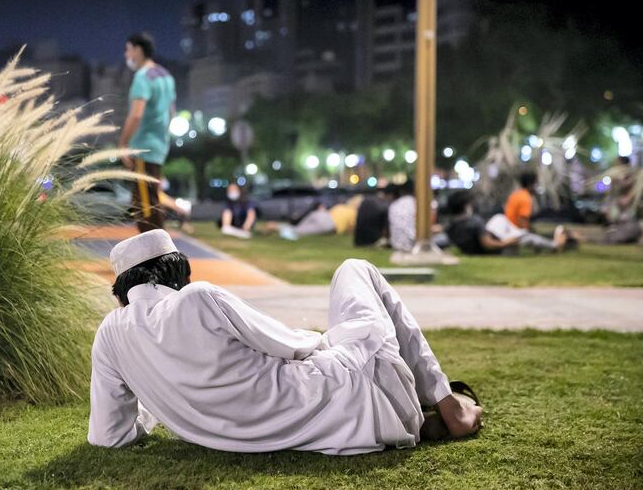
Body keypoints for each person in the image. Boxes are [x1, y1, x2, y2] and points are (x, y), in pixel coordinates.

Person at [88, 229, 483, 453]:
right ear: (176, 270)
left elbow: (110, 435)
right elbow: (296, 345)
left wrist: (160, 401)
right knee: (355, 269)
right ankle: (451, 409)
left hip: (348, 425)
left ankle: (422, 404)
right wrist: (351, 341)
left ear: (124, 286)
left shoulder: (109, 334)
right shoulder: (198, 298)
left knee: (354, 336)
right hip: (362, 396)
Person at [118, 33, 176, 233]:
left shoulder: (142, 77)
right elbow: (172, 112)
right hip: (159, 146)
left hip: (143, 147)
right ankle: (160, 256)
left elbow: (136, 115)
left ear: (137, 50)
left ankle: (157, 259)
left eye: (128, 49)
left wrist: (123, 143)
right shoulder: (166, 76)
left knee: (144, 206)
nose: (126, 54)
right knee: (150, 199)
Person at [445, 190, 567, 254]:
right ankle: (554, 244)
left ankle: (547, 242)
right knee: (523, 236)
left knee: (500, 219)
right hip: (498, 250)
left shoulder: (451, 225)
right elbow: (488, 244)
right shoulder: (474, 222)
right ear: (465, 206)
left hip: (479, 247)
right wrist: (507, 242)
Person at [268, 196, 363, 241]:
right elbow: (352, 228)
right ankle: (277, 227)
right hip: (329, 223)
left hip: (321, 214)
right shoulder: (354, 213)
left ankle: (275, 225)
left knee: (298, 228)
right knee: (298, 232)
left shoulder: (341, 206)